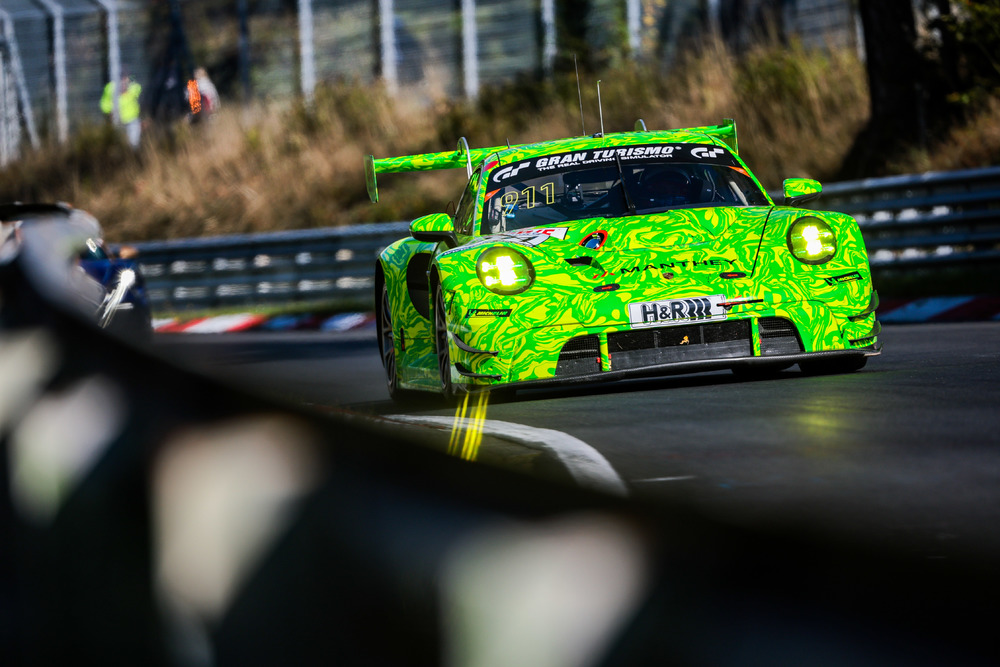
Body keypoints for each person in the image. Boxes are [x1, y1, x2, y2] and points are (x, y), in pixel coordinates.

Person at [101, 73, 143, 148]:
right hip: (118, 120)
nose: (123, 81)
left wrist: (130, 83)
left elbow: (138, 89)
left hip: (132, 119)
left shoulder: (132, 87)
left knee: (134, 143)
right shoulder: (110, 88)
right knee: (119, 143)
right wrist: (110, 111)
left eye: (125, 78)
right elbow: (104, 104)